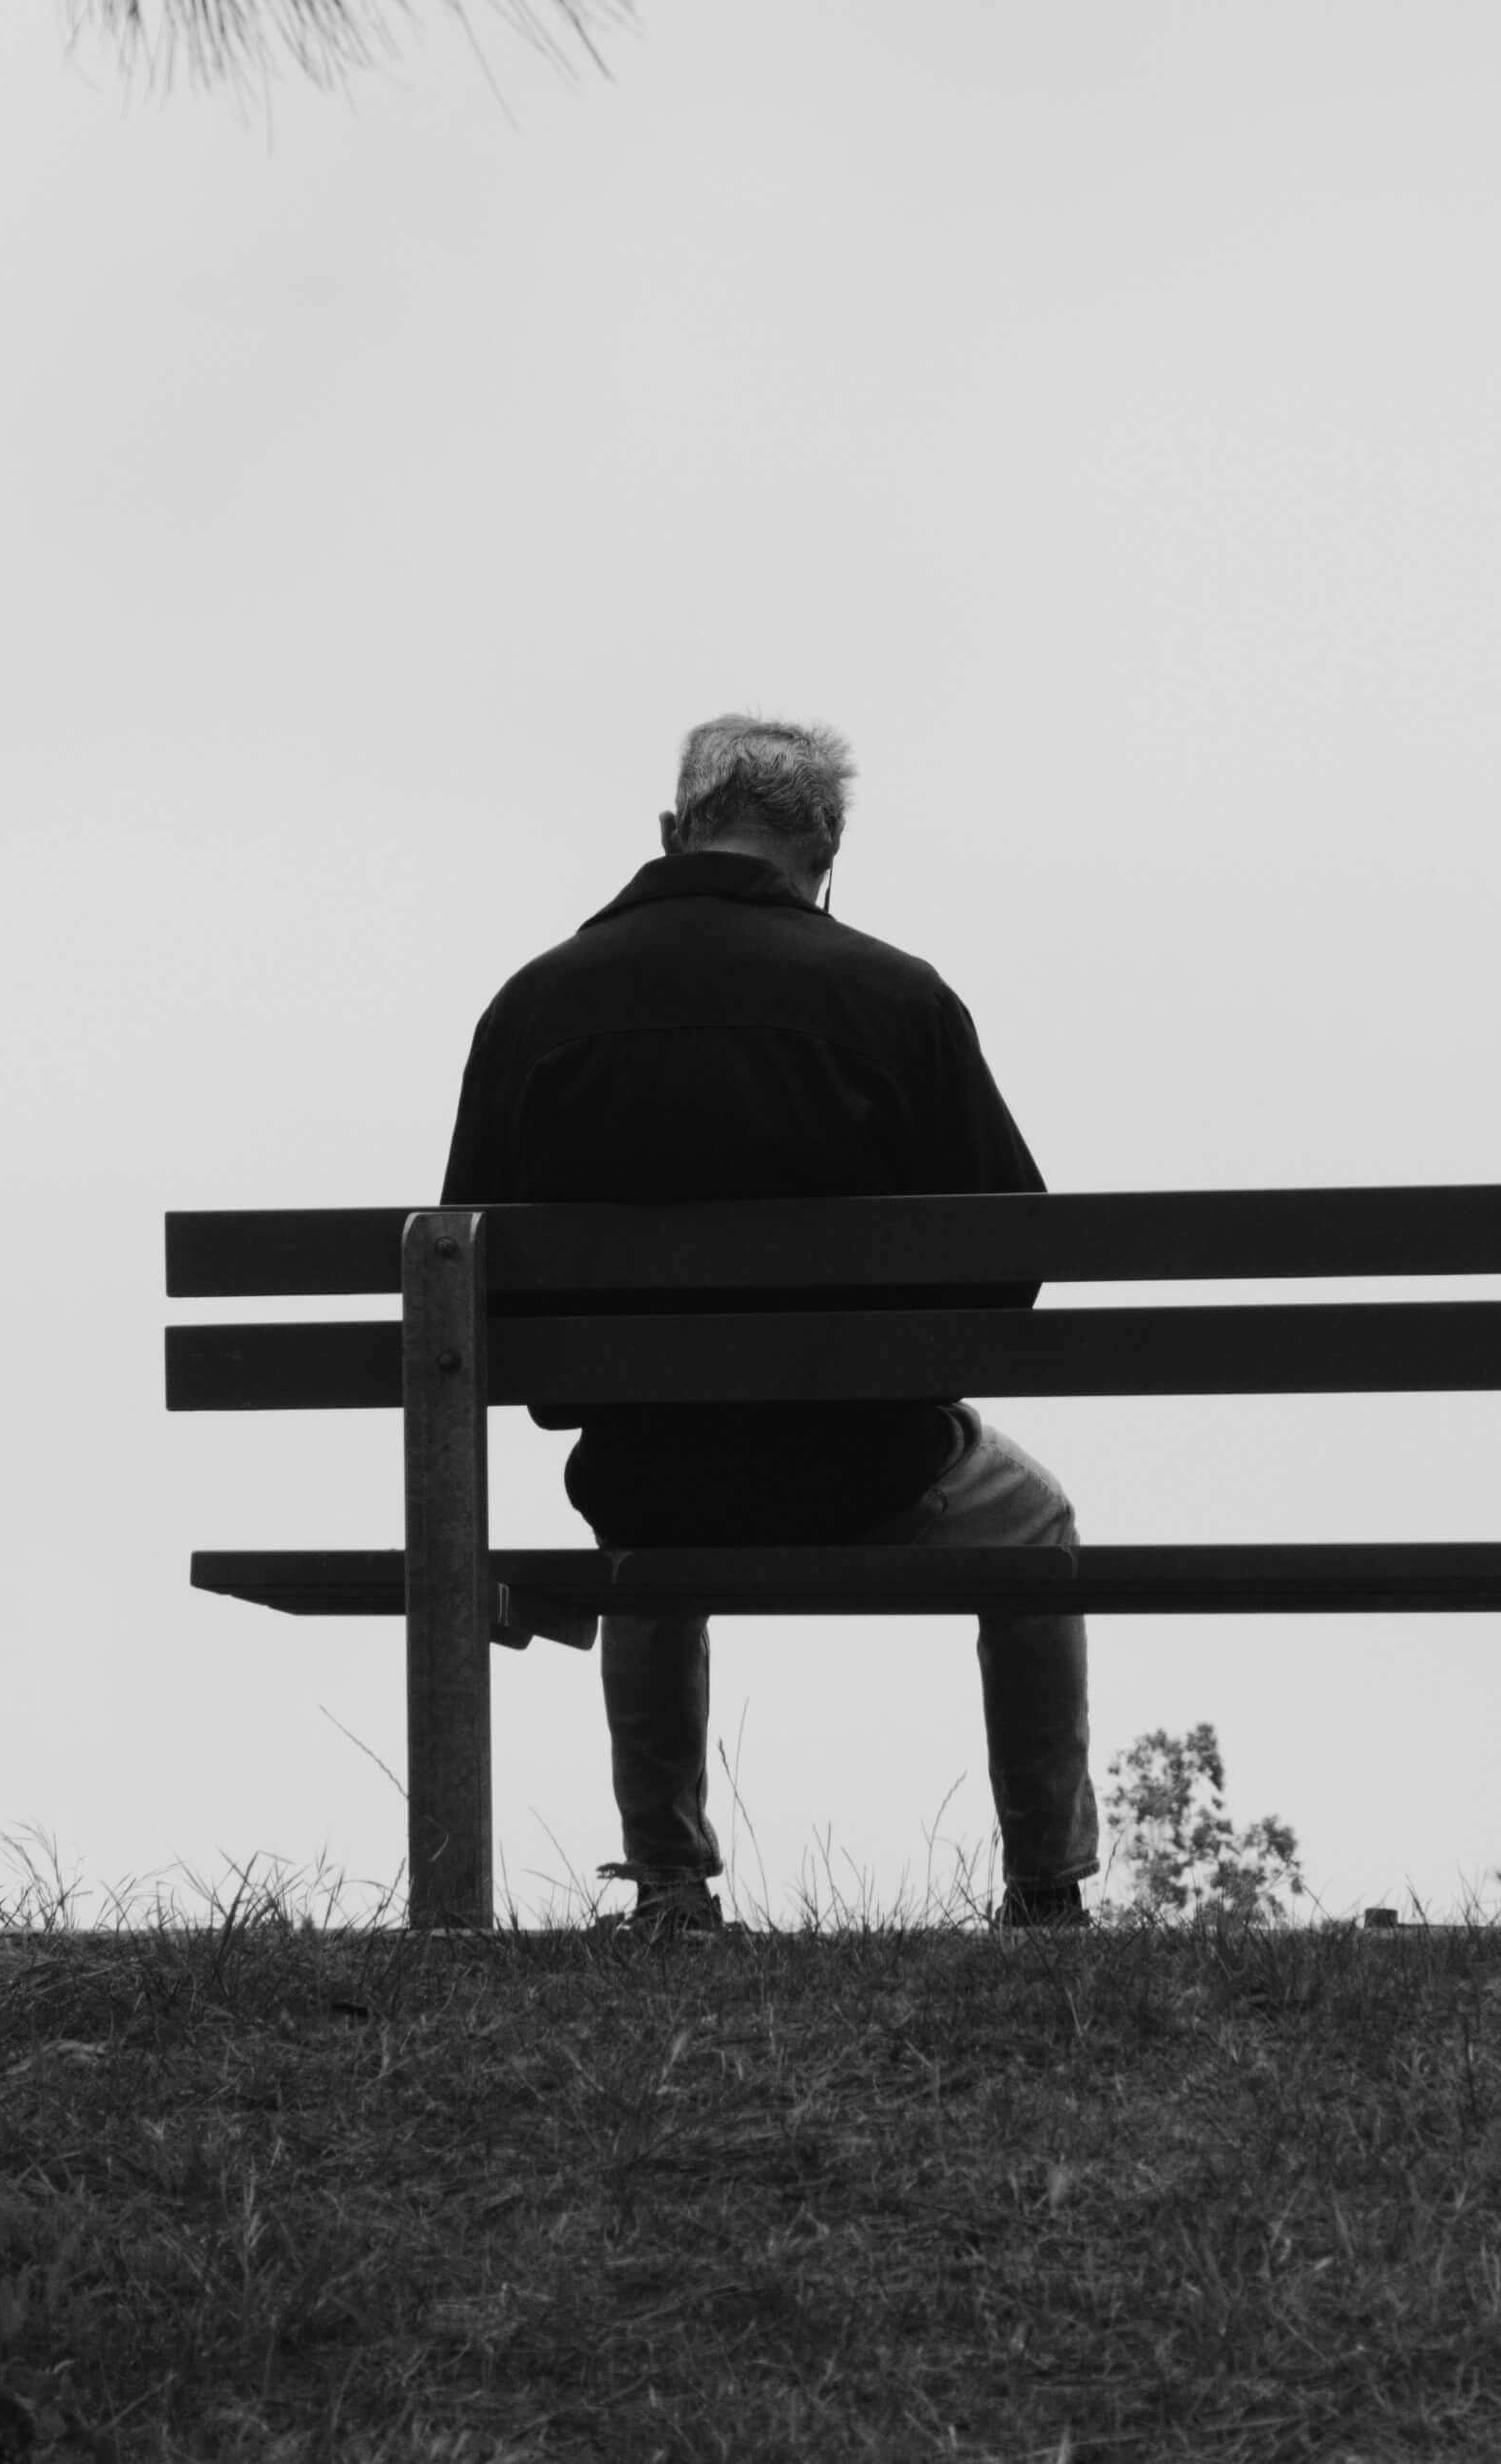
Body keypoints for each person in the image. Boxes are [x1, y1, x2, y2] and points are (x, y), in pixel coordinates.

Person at [439, 714, 1100, 1934]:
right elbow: (1013, 1257)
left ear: (670, 833)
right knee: (1039, 1521)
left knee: (642, 1530)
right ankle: (1046, 1888)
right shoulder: (898, 999)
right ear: (826, 858)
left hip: (645, 1486)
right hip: (869, 1472)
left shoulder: (532, 1008)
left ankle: (672, 1884)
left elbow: (471, 1287)